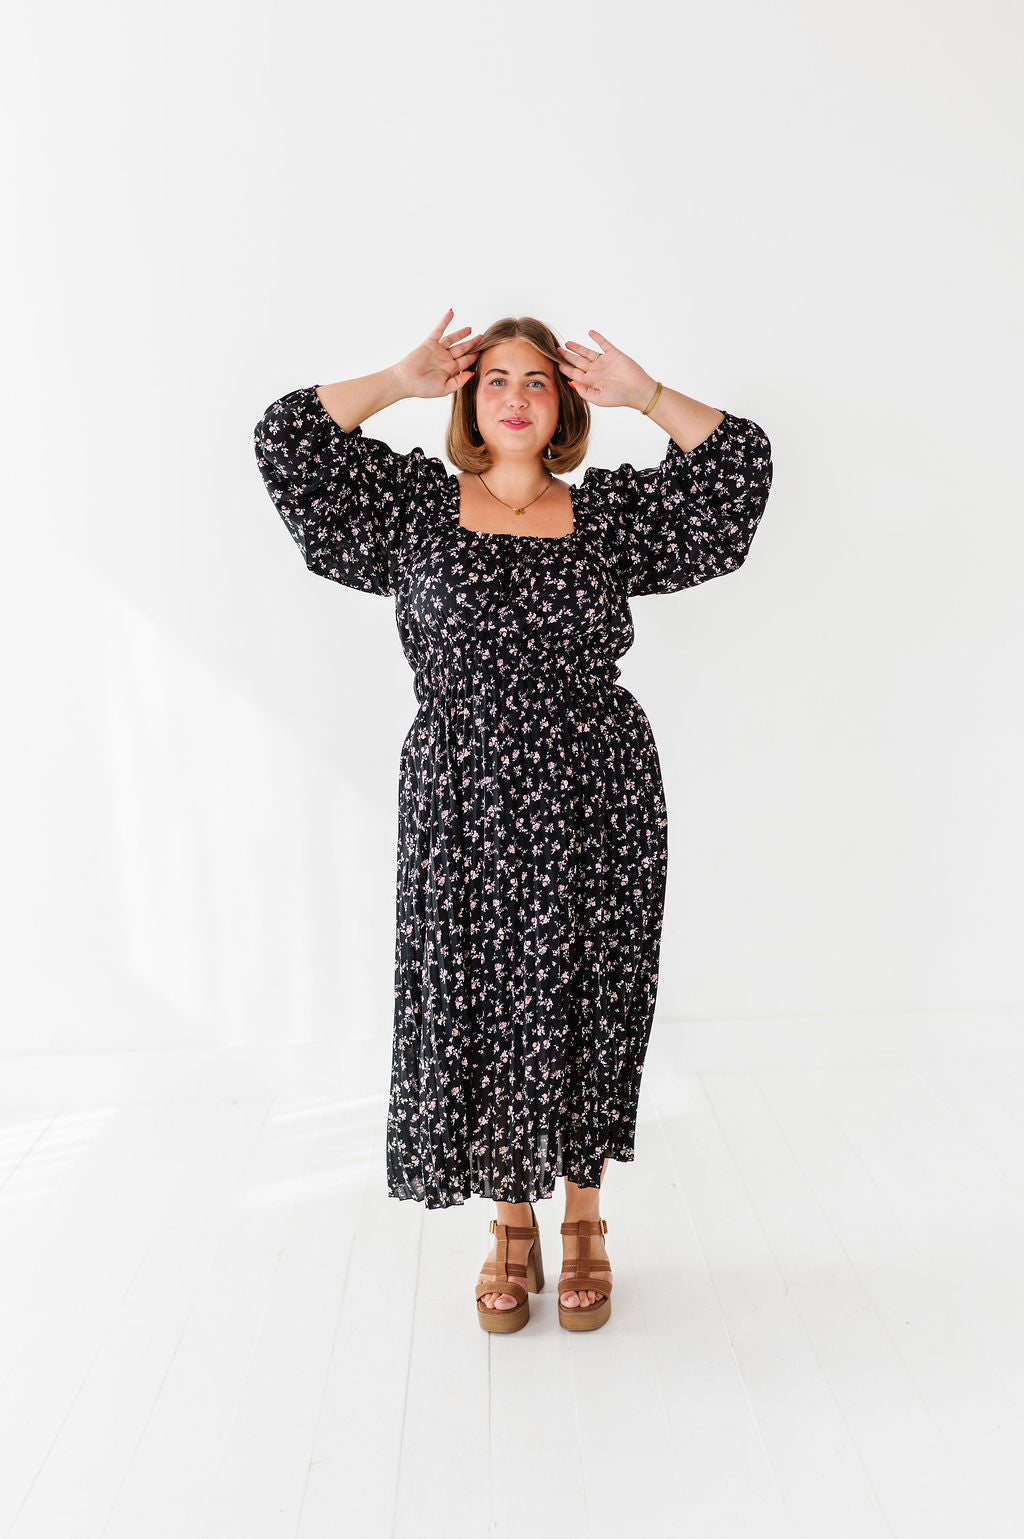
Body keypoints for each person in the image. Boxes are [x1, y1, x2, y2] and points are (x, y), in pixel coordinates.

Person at [253, 309, 773, 1333]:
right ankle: (508, 1223)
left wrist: (647, 394)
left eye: (538, 380)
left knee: (584, 996)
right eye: (495, 378)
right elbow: (288, 440)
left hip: (595, 792)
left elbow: (736, 473)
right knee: (482, 1001)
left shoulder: (608, 519)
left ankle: (583, 1219)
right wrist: (397, 378)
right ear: (468, 398)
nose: (517, 396)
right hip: (462, 798)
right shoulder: (410, 508)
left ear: (566, 403)